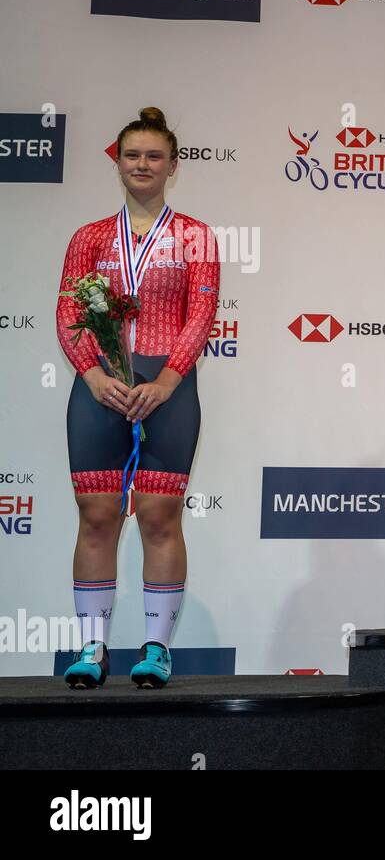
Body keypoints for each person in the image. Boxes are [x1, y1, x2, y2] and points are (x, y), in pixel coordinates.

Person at [57, 107, 219, 689]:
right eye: (132, 155)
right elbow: (69, 311)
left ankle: (155, 648)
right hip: (99, 387)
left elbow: (201, 312)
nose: (142, 164)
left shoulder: (195, 235)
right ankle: (92, 650)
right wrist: (95, 376)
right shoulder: (90, 237)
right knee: (97, 516)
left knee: (159, 516)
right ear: (117, 163)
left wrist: (166, 381)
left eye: (154, 156)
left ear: (173, 166)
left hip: (167, 390)